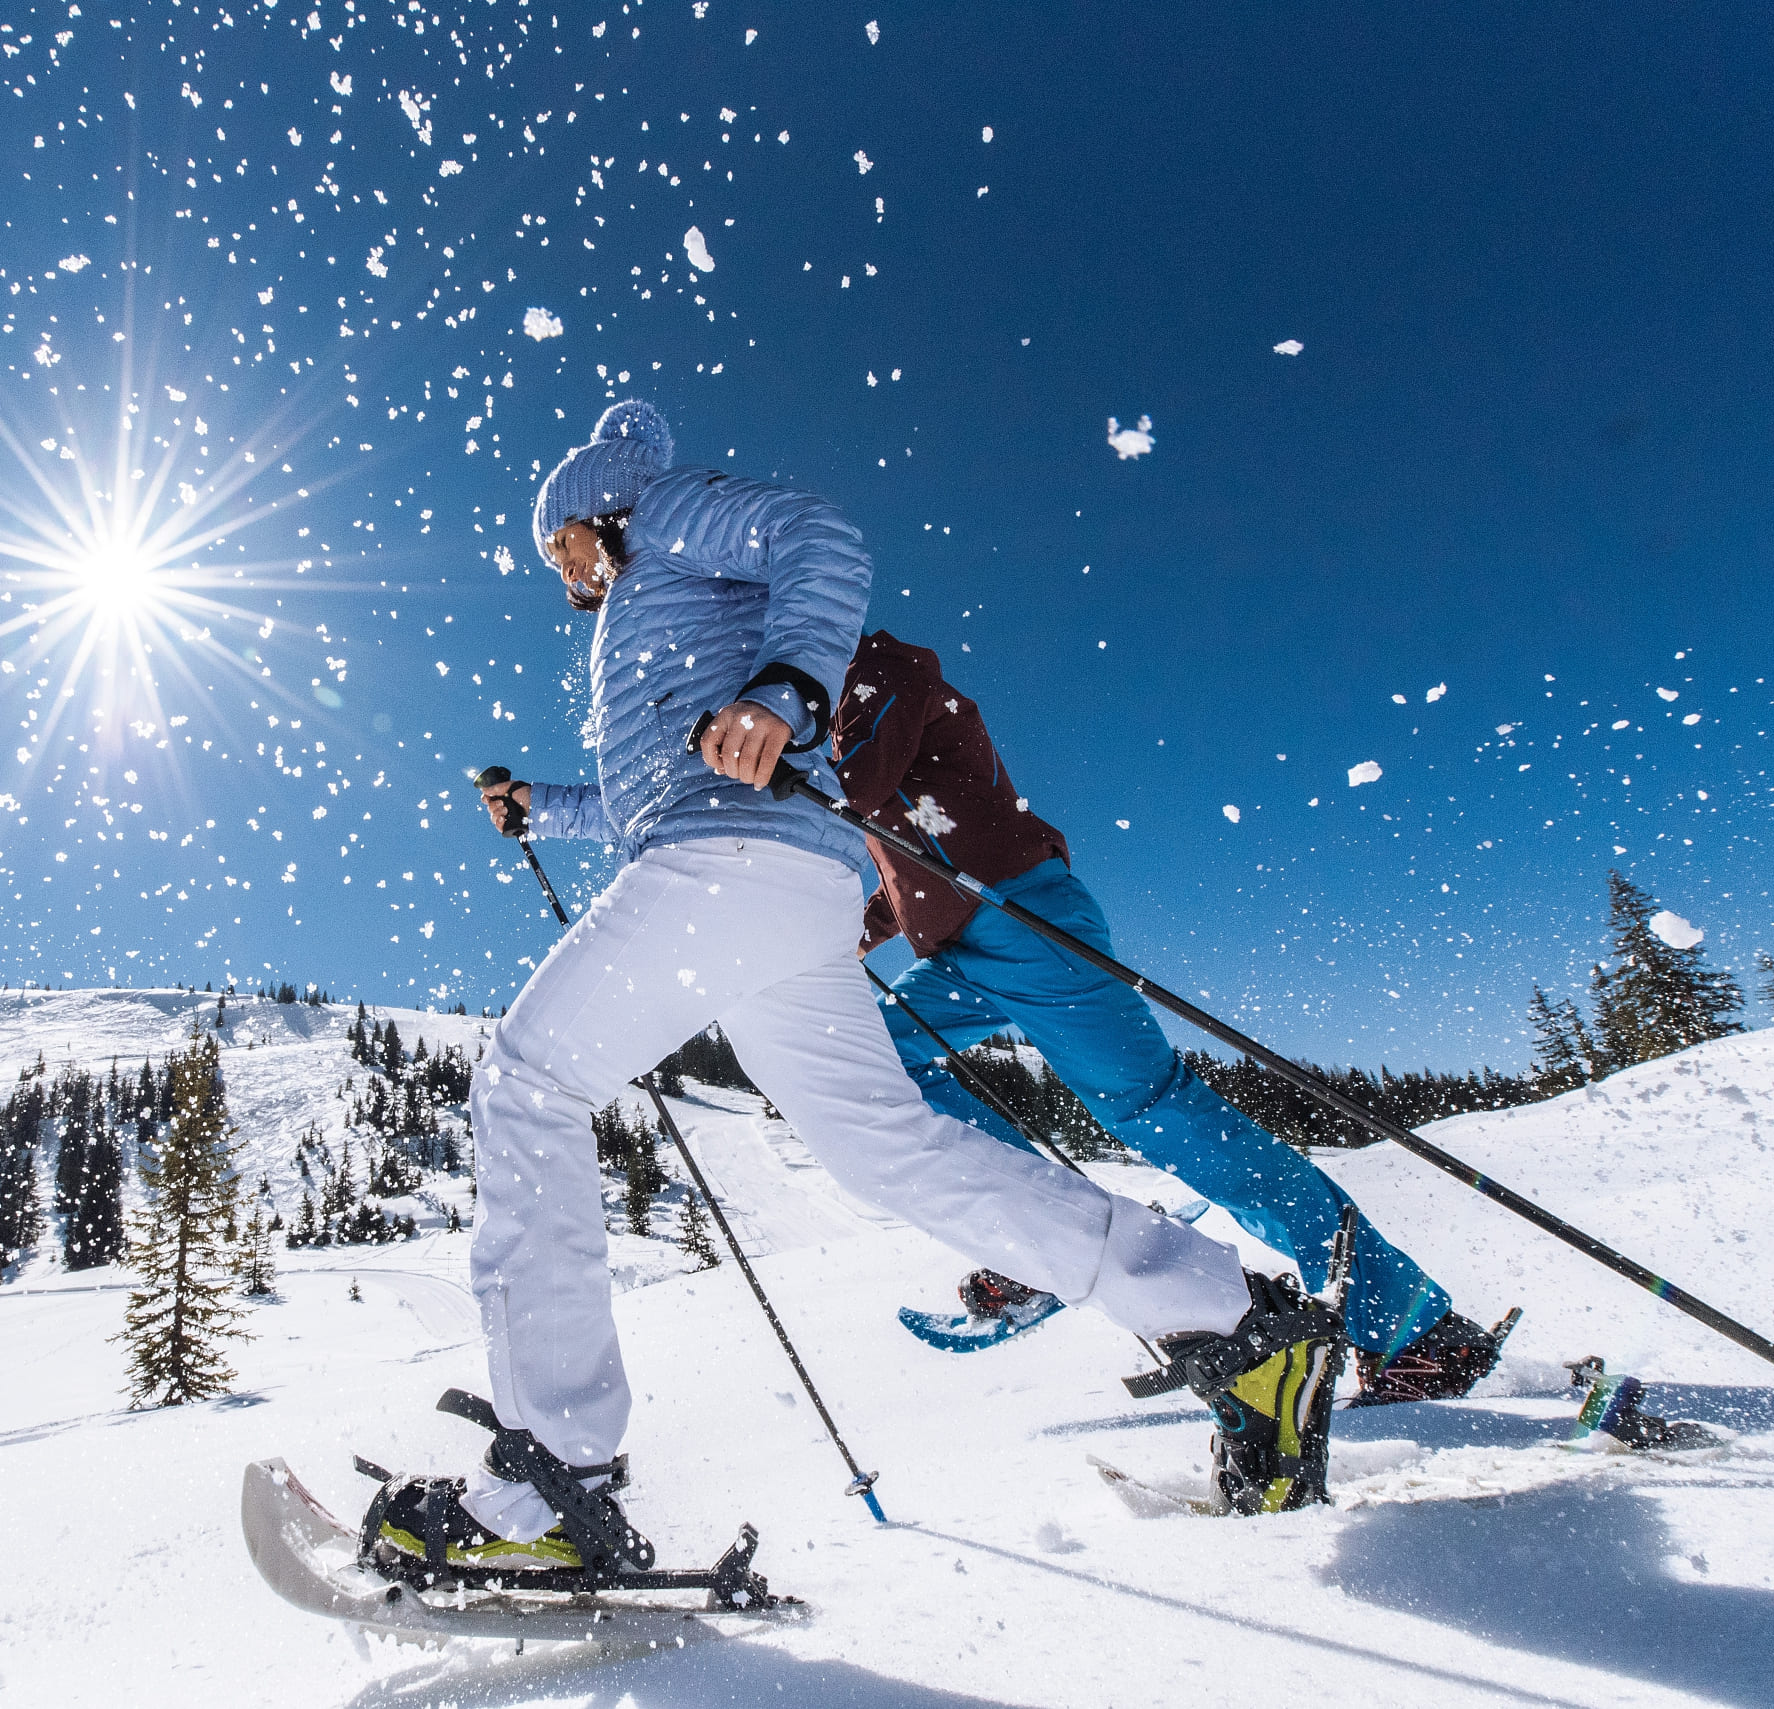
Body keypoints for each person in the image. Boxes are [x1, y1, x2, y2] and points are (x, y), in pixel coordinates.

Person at [361, 400, 1352, 1583]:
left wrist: (788, 690)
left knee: (526, 1081)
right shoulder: (651, 607)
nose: (559, 571)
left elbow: (819, 537)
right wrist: (545, 804)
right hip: (774, 881)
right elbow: (660, 783)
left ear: (594, 511)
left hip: (731, 863)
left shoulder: (670, 520)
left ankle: (551, 1478)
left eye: (559, 544)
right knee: (894, 1152)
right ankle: (1230, 1324)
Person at [834, 627, 1508, 1405]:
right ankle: (1033, 1238)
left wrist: (770, 749)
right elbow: (907, 847)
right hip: (967, 941)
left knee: (1162, 1114)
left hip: (1022, 920)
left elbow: (858, 780)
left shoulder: (880, 665)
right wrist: (859, 927)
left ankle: (1410, 1328)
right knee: (879, 1058)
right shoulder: (849, 700)